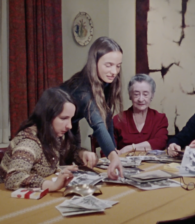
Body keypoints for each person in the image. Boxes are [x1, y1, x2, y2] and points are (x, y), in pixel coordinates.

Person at [0, 88, 98, 191]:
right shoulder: (29, 142)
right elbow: (13, 178)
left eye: (71, 118)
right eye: (64, 118)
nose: (69, 126)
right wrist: (52, 185)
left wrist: (82, 154)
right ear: (47, 116)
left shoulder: (56, 134)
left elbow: (70, 152)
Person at [60, 37, 123, 179]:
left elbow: (107, 117)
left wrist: (113, 151)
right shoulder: (82, 89)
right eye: (109, 65)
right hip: (49, 127)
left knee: (72, 170)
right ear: (94, 63)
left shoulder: (106, 81)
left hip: (71, 126)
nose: (114, 71)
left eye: (118, 66)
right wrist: (112, 157)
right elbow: (98, 125)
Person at [113, 74, 168, 155]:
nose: (141, 99)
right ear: (130, 95)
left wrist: (130, 148)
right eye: (136, 94)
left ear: (152, 95)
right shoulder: (118, 119)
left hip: (152, 166)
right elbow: (108, 150)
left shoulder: (160, 118)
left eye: (145, 94)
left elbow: (160, 143)